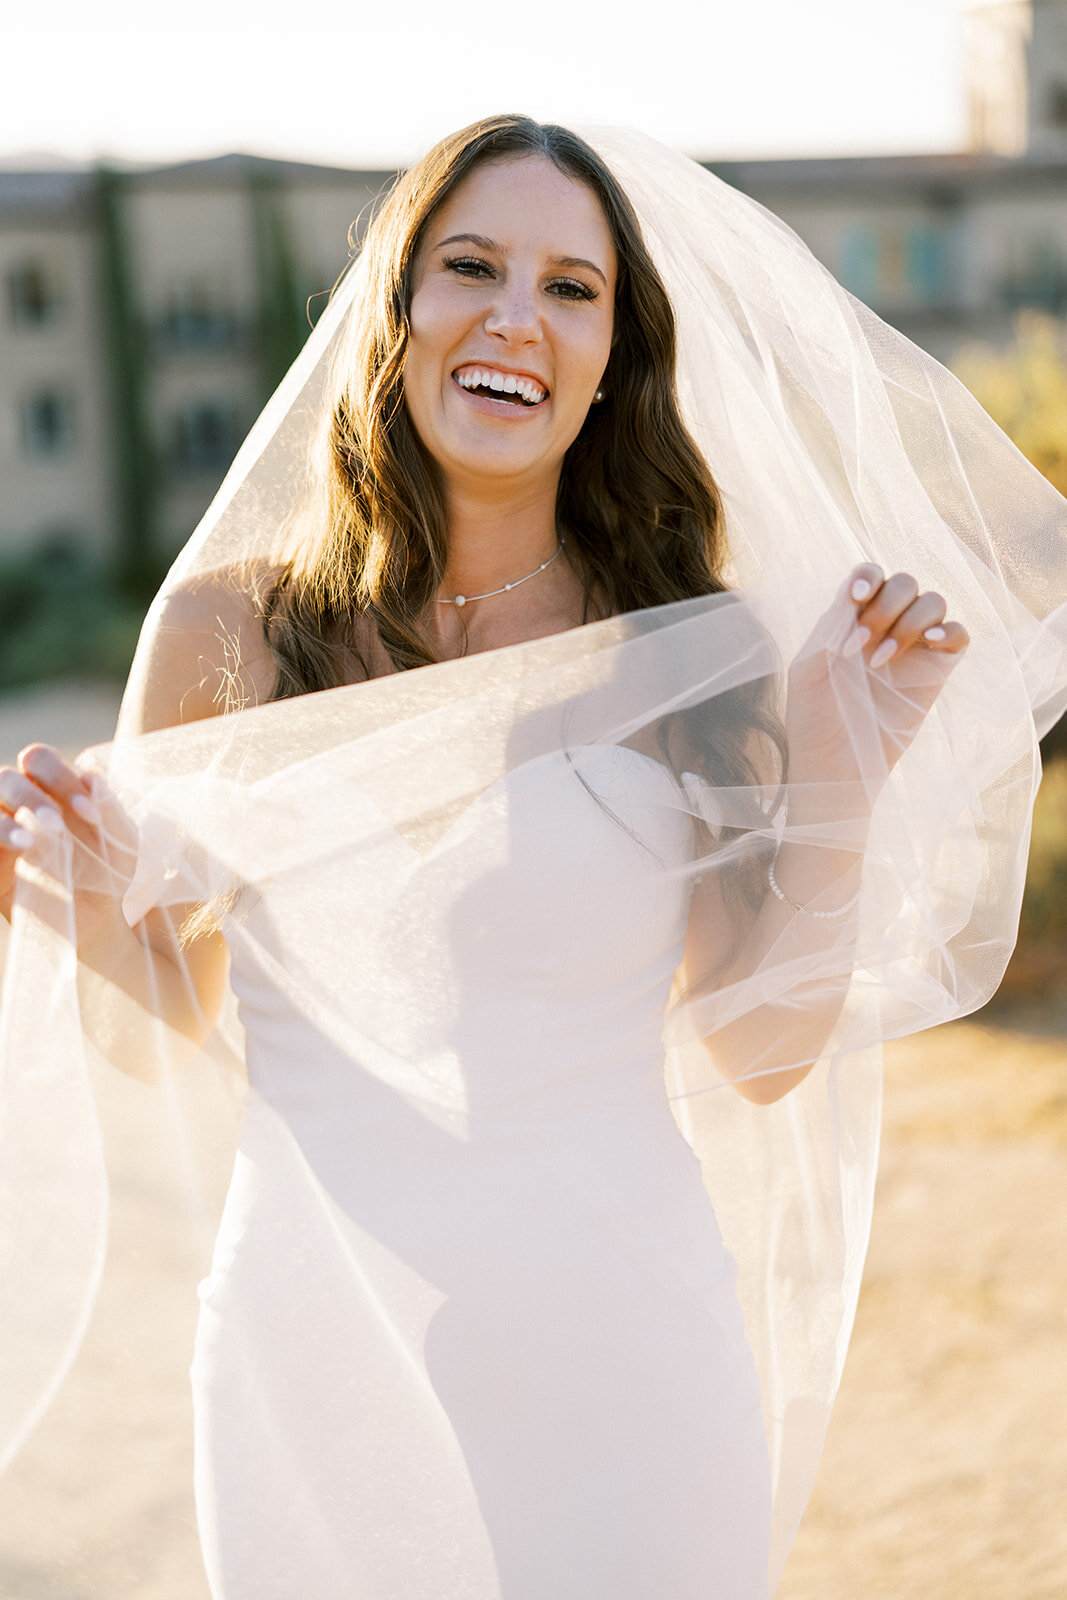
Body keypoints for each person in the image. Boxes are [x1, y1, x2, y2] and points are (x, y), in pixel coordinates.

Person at [0, 116, 1063, 1600]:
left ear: (617, 355)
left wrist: (838, 772)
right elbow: (163, 1021)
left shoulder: (694, 652)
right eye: (474, 266)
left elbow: (760, 1047)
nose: (517, 316)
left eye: (574, 287)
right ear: (399, 307)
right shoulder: (227, 639)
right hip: (321, 1349)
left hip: (625, 1349)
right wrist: (96, 916)